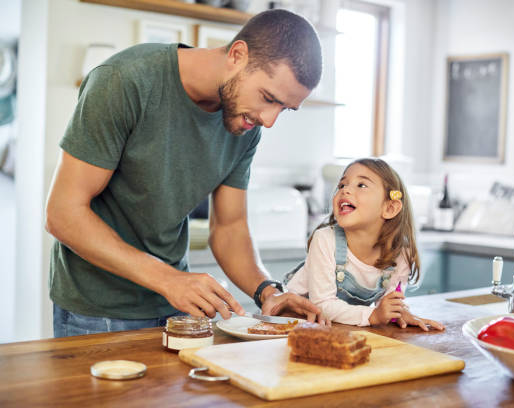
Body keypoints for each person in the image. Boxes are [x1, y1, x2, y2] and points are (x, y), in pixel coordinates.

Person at [45, 9, 325, 337]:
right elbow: (62, 213)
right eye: (268, 98)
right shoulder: (124, 81)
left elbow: (230, 228)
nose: (270, 119)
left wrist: (268, 291)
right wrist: (167, 279)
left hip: (176, 307)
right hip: (97, 311)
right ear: (237, 55)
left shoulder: (244, 123)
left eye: (285, 109)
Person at [284, 158, 445, 330]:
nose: (345, 190)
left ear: (390, 208)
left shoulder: (400, 252)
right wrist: (373, 315)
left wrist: (400, 313)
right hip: (290, 321)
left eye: (361, 185)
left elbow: (389, 302)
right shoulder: (325, 239)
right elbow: (323, 304)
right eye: (342, 185)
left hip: (334, 328)